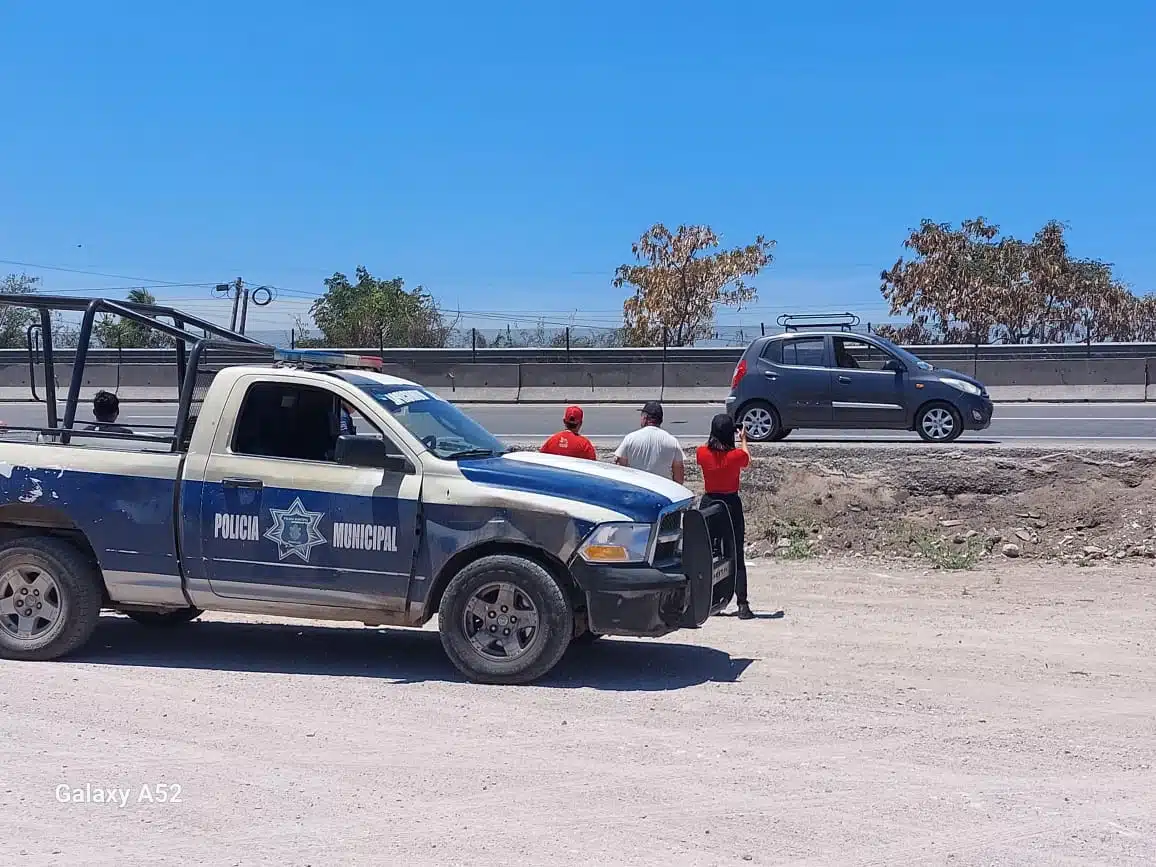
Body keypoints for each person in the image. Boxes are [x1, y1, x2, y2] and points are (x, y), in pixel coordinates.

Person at [696, 413, 754, 619]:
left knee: (712, 553)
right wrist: (743, 439)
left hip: (710, 503)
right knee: (736, 552)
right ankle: (742, 603)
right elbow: (747, 458)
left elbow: (707, 447)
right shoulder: (735, 456)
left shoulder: (701, 452)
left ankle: (712, 600)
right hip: (730, 503)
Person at [614, 400, 684, 483]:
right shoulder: (672, 442)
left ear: (645, 418)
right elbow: (679, 477)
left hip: (638, 488)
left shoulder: (630, 439)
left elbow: (622, 470)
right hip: (663, 490)